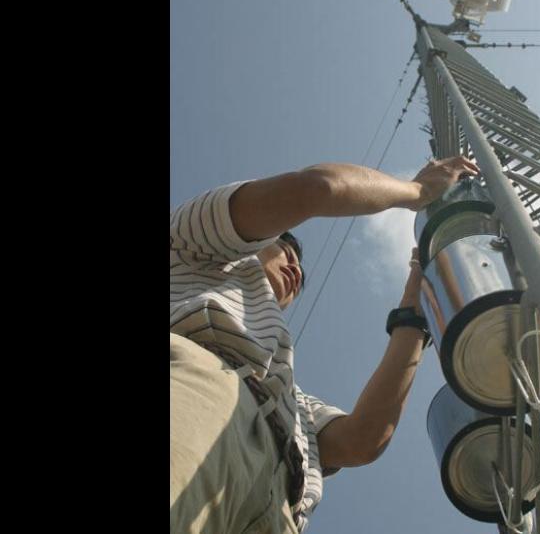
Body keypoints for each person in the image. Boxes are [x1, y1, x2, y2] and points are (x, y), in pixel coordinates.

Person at [170, 156, 480, 534]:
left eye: (300, 271)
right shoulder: (191, 244)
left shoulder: (291, 400)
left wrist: (412, 316)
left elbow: (360, 441)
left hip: (283, 507)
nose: (297, 271)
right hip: (195, 396)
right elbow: (317, 188)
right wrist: (419, 191)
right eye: (285, 253)